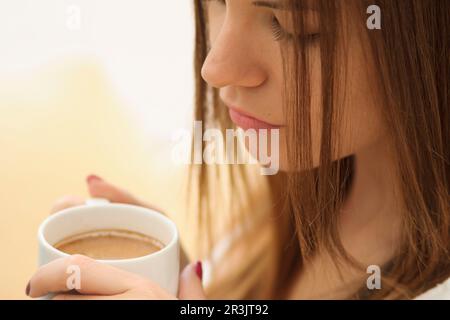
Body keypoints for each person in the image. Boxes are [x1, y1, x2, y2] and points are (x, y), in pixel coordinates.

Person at [26, 0, 449, 299]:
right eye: (217, 1)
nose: (215, 67)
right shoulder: (276, 217)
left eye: (292, 23)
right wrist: (182, 284)